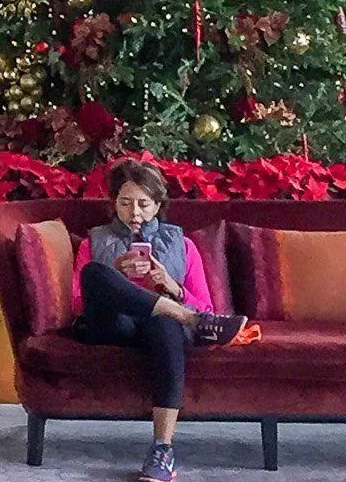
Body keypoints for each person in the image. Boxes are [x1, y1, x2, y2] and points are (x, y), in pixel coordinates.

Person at [71, 159, 257, 482]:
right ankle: (177, 313)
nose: (134, 213)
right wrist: (116, 274)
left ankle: (162, 450)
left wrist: (172, 287)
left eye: (143, 204)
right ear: (114, 203)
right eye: (125, 203)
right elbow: (76, 303)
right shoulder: (93, 242)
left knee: (166, 323)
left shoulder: (184, 246)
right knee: (94, 272)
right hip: (114, 324)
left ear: (158, 205)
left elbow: (206, 307)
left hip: (160, 331)